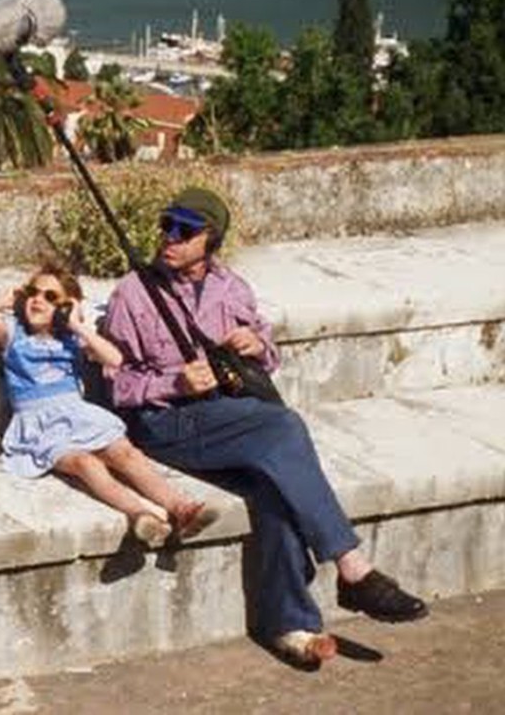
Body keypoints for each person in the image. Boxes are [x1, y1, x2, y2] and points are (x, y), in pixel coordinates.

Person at [102, 187, 428, 668]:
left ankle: (289, 624)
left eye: (184, 231)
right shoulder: (133, 294)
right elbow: (118, 385)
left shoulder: (232, 289)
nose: (169, 237)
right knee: (285, 429)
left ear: (210, 240)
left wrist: (256, 345)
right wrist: (174, 381)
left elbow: (267, 358)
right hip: (167, 422)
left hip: (229, 417)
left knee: (275, 489)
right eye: (165, 225)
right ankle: (353, 569)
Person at [0, 260, 219, 549]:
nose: (38, 300)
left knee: (125, 453)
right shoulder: (14, 336)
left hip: (79, 414)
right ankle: (138, 514)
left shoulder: (71, 340)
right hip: (40, 425)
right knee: (85, 464)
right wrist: (8, 300)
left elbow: (114, 359)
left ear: (65, 307)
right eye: (33, 293)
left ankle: (181, 508)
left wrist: (77, 325)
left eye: (51, 297)